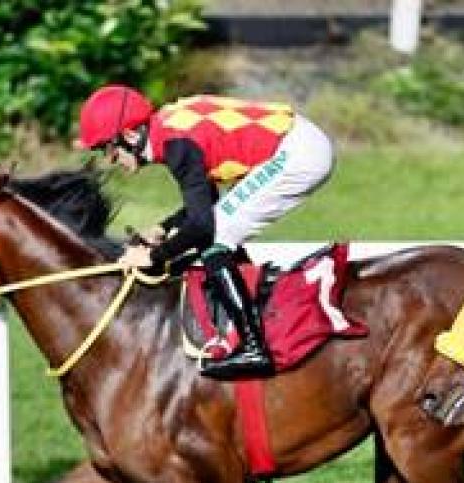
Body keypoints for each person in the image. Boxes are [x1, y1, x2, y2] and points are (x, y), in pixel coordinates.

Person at [75, 84, 335, 379]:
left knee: (216, 238)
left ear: (130, 135)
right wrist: (164, 228)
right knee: (221, 226)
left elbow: (202, 226)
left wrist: (153, 258)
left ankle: (254, 347)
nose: (109, 159)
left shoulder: (176, 145)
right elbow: (206, 203)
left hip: (298, 153)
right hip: (298, 142)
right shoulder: (169, 128)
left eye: (106, 148)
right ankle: (249, 314)